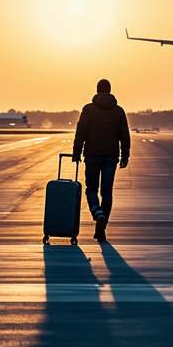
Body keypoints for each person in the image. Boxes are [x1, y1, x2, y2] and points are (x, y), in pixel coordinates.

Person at [72, 79, 130, 242]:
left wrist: (76, 153)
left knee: (91, 189)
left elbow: (81, 132)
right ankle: (102, 229)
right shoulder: (119, 111)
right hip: (111, 156)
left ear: (97, 91)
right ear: (110, 91)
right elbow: (124, 135)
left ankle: (97, 213)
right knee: (107, 192)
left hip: (92, 155)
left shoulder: (88, 109)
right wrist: (125, 156)